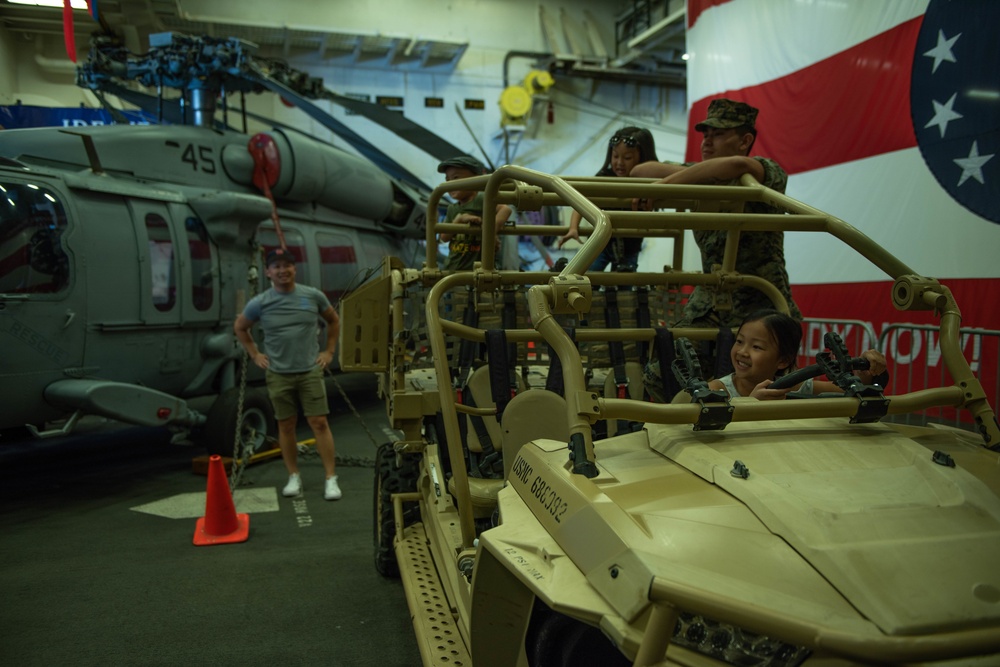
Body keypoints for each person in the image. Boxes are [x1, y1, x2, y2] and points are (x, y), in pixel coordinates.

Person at [632, 99, 801, 325]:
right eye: (706, 135)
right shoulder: (695, 174)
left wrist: (665, 184)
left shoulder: (764, 172)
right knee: (674, 346)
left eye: (718, 134)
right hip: (711, 300)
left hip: (759, 300)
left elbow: (737, 165)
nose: (707, 142)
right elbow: (640, 171)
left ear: (745, 141)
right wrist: (701, 175)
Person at [233, 247, 342, 501]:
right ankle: (293, 476)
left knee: (319, 423)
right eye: (277, 266)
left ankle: (330, 478)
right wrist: (255, 354)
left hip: (309, 371)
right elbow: (240, 327)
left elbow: (333, 320)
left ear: (294, 269)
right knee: (286, 425)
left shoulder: (312, 296)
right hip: (279, 374)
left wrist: (329, 351)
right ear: (268, 272)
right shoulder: (260, 303)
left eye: (287, 265)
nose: (282, 270)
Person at [707, 309, 887, 401]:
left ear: (783, 360)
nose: (742, 352)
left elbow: (851, 391)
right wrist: (750, 405)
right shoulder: (716, 391)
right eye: (739, 341)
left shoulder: (795, 387)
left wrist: (867, 369)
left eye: (756, 347)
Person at [557, 126, 658, 272]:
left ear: (642, 158)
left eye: (627, 158)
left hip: (630, 247)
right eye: (615, 156)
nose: (619, 163)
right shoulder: (604, 177)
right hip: (600, 243)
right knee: (587, 276)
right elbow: (581, 201)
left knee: (625, 283)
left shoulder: (648, 183)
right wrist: (573, 228)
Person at [436, 156, 512, 271]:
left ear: (476, 179)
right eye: (447, 179)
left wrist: (490, 232)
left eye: (456, 177)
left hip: (478, 270)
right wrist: (458, 220)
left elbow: (505, 210)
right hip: (452, 267)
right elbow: (444, 237)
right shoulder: (452, 208)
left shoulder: (482, 199)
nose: (450, 184)